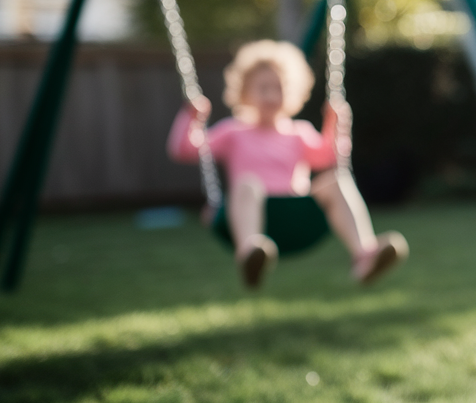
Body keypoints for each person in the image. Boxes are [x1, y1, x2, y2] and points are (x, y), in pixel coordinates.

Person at [169, 40, 407, 289]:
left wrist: (335, 126)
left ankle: (365, 254)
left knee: (336, 180)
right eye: (263, 88)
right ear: (244, 92)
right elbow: (185, 150)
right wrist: (191, 117)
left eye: (278, 88)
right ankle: (250, 253)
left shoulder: (299, 133)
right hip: (253, 214)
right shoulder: (233, 132)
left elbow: (329, 156)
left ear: (292, 92)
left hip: (297, 213)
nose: (271, 95)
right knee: (248, 184)